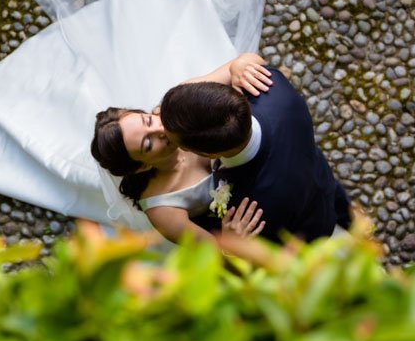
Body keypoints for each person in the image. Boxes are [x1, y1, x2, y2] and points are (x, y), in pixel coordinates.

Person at [159, 55, 352, 243]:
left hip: (307, 231)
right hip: (317, 173)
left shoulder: (248, 208)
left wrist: (233, 245)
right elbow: (256, 60)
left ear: (210, 155)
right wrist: (239, 64)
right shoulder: (272, 87)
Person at [90, 53, 274, 244]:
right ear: (141, 166)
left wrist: (240, 66)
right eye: (148, 143)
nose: (161, 128)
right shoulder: (162, 209)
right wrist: (230, 242)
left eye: (148, 120)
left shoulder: (180, 107)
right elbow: (213, 256)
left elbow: (252, 61)